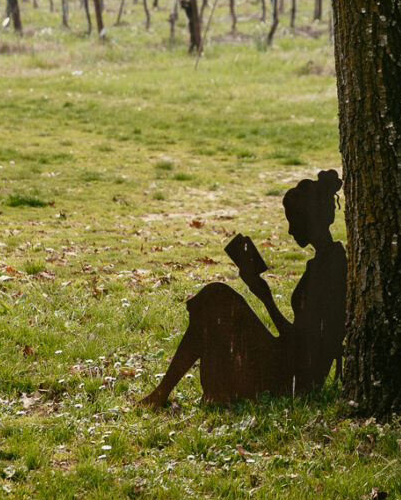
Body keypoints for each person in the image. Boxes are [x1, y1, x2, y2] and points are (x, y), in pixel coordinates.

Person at [139, 170, 346, 407]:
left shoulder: (330, 268)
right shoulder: (325, 261)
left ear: (310, 219)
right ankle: (164, 391)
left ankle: (164, 392)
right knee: (217, 296)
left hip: (296, 378)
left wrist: (265, 297)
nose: (290, 230)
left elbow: (300, 348)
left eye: (294, 221)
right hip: (292, 365)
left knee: (216, 296)